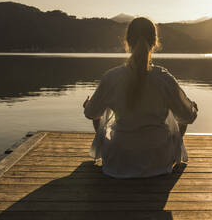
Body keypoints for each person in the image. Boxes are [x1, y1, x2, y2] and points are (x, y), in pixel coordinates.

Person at [83, 17, 198, 178]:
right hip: (158, 162)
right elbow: (188, 117)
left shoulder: (111, 77)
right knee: (182, 114)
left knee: (98, 112)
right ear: (154, 43)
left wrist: (88, 105)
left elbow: (91, 114)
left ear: (127, 42)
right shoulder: (164, 78)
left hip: (118, 162)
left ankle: (101, 154)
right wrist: (191, 108)